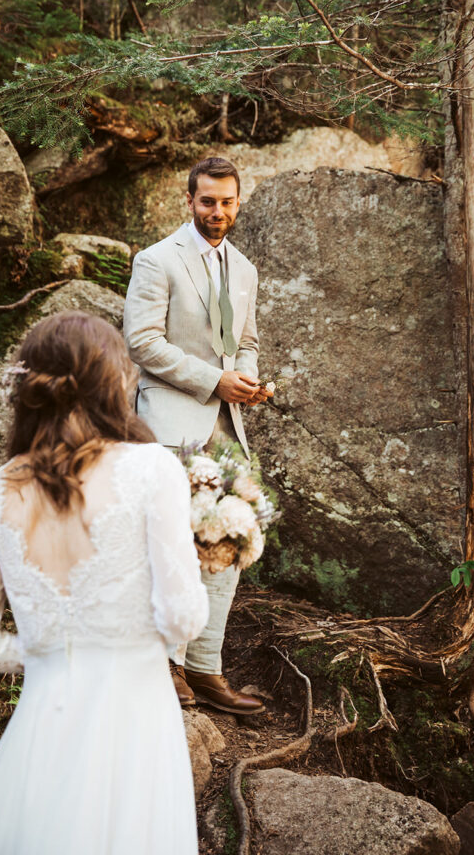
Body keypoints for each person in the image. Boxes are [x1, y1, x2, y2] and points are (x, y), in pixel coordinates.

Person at [0, 311, 209, 855]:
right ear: (113, 382)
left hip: (42, 721)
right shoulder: (152, 470)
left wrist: (51, 649)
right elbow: (183, 618)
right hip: (135, 724)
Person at [124, 156, 271, 715]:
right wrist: (215, 380)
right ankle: (167, 664)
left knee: (229, 545)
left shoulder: (246, 269)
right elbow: (142, 342)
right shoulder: (156, 260)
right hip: (168, 427)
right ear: (189, 200)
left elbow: (247, 340)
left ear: (238, 202)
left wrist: (248, 380)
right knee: (176, 547)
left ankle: (207, 668)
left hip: (227, 430)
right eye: (207, 201)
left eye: (227, 202)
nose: (218, 212)